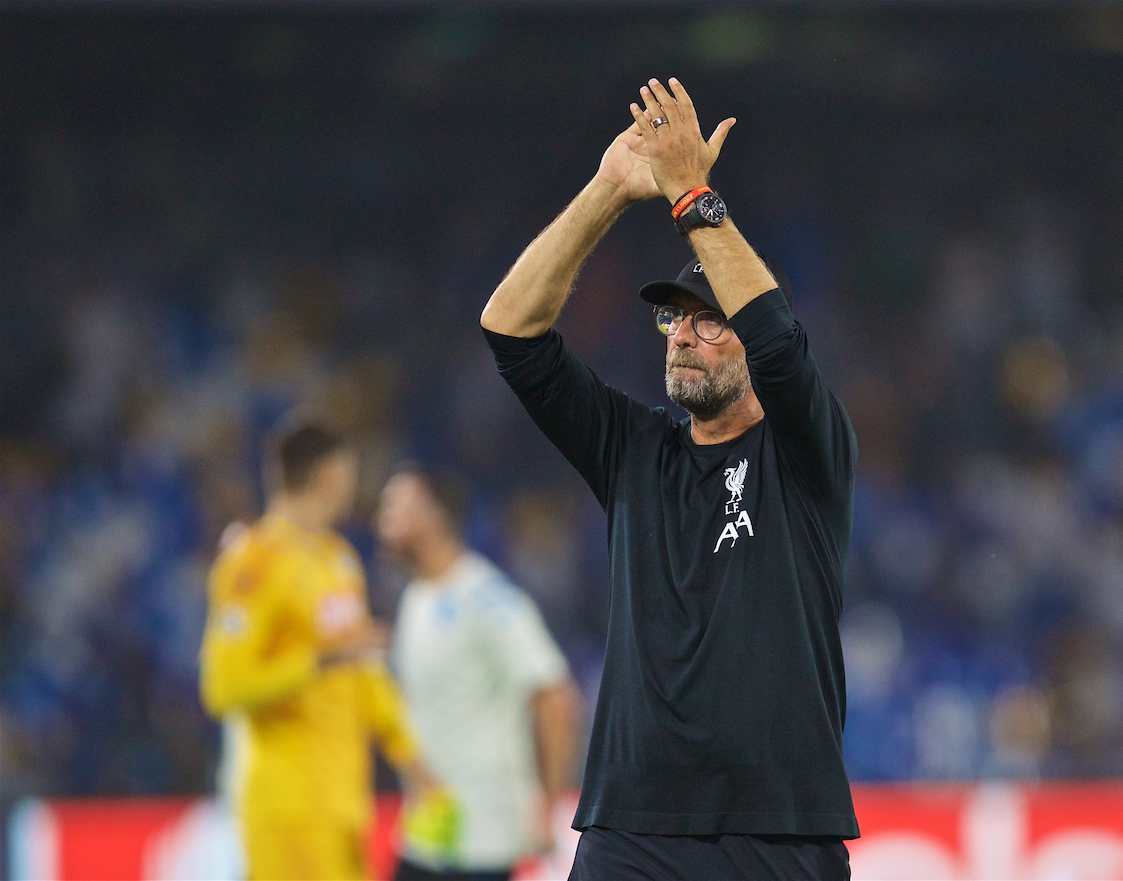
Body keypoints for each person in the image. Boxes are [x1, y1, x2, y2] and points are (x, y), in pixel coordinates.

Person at [479, 78, 859, 880]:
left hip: (779, 833)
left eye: (709, 317)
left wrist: (692, 194)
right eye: (673, 317)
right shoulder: (632, 448)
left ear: (751, 336)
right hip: (631, 829)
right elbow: (511, 330)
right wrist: (609, 191)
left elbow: (784, 348)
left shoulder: (804, 451)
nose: (682, 335)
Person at [199, 420, 449, 881]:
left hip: (343, 805)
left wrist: (410, 756)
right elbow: (224, 687)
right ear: (330, 475)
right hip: (285, 810)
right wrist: (321, 660)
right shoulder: (252, 563)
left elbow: (363, 670)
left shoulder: (338, 559)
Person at [377, 464, 583, 881]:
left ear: (433, 517)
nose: (382, 521)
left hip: (481, 839)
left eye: (396, 508)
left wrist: (547, 804)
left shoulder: (487, 599)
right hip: (429, 830)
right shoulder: (416, 597)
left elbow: (557, 698)